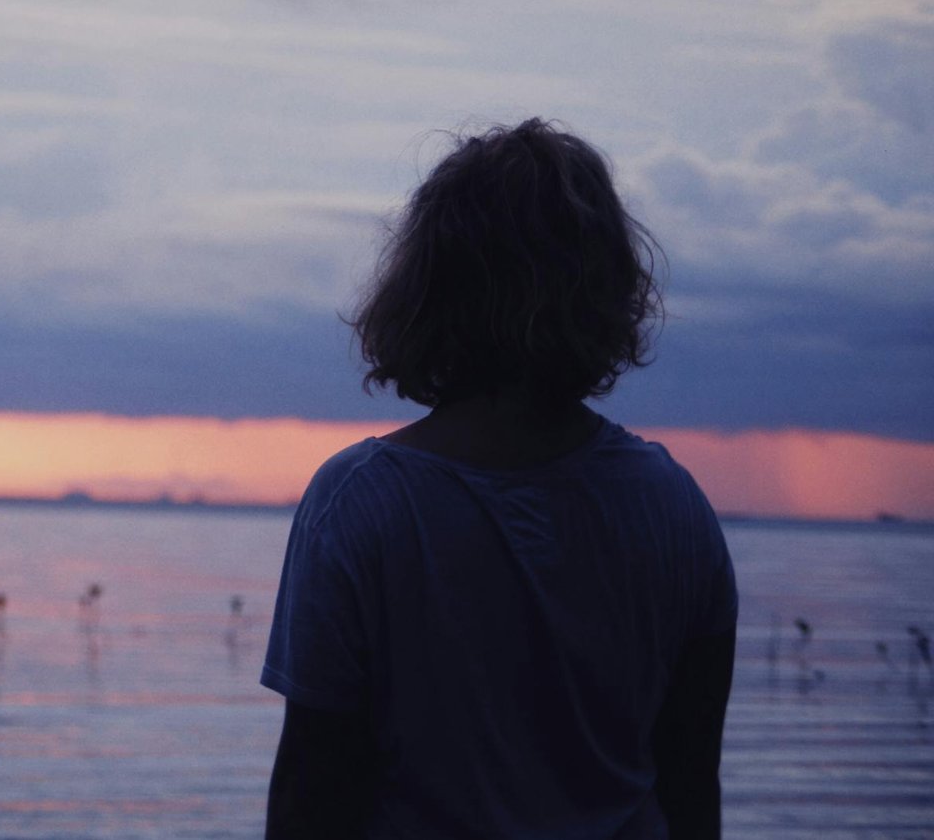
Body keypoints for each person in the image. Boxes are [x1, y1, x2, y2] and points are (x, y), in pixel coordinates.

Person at [262, 119, 737, 839]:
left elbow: (313, 791)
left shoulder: (361, 503)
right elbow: (692, 789)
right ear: (606, 287)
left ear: (428, 284)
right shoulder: (673, 505)